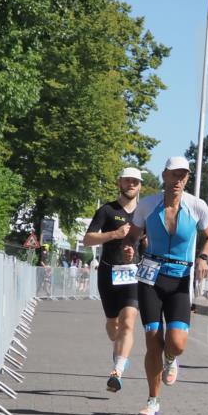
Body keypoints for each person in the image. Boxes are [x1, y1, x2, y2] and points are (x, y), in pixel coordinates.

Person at [122, 156, 208, 415]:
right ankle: (153, 400)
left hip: (179, 280)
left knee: (176, 343)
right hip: (150, 277)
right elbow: (133, 235)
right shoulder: (147, 205)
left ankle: (171, 359)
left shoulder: (196, 206)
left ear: (187, 179)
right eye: (174, 175)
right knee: (153, 341)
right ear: (164, 175)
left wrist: (203, 258)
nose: (178, 180)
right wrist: (129, 247)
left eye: (183, 176)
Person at [82, 167, 143, 393]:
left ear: (140, 186)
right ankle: (118, 349)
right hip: (108, 273)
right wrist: (114, 235)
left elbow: (149, 244)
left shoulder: (144, 213)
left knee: (128, 322)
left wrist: (137, 252)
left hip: (133, 274)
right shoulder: (107, 210)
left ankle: (117, 371)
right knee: (113, 325)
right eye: (128, 180)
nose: (131, 184)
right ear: (120, 183)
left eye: (135, 181)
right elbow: (88, 239)